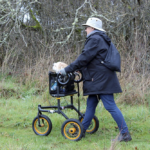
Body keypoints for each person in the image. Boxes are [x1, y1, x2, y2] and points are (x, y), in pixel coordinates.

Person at [58, 17, 132, 142]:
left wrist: (67, 69)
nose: (85, 30)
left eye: (86, 27)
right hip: (98, 78)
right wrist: (79, 70)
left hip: (100, 79)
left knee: (110, 105)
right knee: (91, 105)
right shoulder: (101, 39)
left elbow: (84, 58)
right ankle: (81, 130)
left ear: (92, 28)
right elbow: (94, 61)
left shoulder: (95, 39)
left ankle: (124, 133)